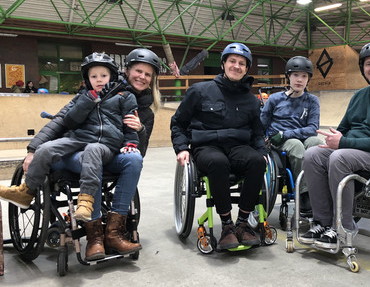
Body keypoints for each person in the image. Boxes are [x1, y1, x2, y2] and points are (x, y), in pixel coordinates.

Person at [0, 48, 161, 260]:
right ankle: (94, 238)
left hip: (108, 152)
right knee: (85, 155)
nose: (142, 77)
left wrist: (139, 130)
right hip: (79, 150)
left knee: (133, 159)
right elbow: (60, 122)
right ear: (126, 70)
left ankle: (113, 233)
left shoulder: (143, 110)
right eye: (138, 71)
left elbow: (140, 150)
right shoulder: (89, 94)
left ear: (152, 80)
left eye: (148, 74)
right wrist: (33, 150)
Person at [300, 41, 370, 248]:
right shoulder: (359, 95)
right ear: (362, 68)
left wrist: (343, 142)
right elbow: (343, 127)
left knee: (339, 156)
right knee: (312, 154)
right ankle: (322, 222)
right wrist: (334, 138)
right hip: (353, 151)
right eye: (368, 64)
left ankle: (343, 227)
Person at [171, 42, 267, 250]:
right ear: (223, 64)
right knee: (217, 162)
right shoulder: (200, 90)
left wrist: (262, 152)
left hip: (238, 147)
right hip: (207, 147)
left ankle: (242, 223)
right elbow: (178, 122)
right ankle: (226, 225)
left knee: (257, 162)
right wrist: (181, 147)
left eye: (242, 63)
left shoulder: (251, 100)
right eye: (232, 61)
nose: (236, 66)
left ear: (246, 68)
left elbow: (258, 132)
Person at [260, 56, 323, 216]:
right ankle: (304, 195)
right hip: (279, 142)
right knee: (296, 145)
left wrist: (286, 133)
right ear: (289, 76)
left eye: (304, 76)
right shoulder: (275, 99)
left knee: (317, 143)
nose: (299, 80)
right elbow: (262, 124)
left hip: (295, 136)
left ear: (308, 79)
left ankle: (320, 190)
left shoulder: (312, 101)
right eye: (296, 75)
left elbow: (313, 128)